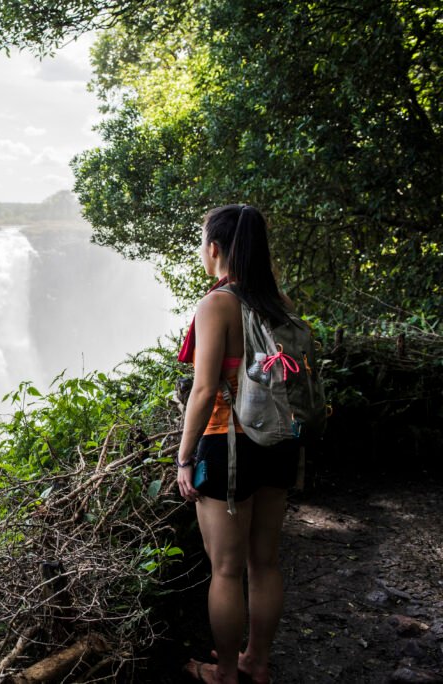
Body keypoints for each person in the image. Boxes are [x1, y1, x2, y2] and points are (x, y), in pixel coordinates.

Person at [175, 204, 300, 684]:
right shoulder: (279, 303)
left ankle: (225, 672)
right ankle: (257, 661)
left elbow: (205, 390)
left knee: (226, 571)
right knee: (264, 561)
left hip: (229, 445)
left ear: (215, 248)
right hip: (280, 439)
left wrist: (185, 458)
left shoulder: (217, 305)